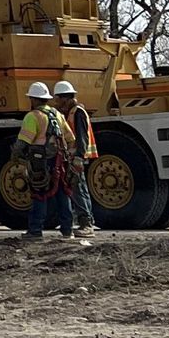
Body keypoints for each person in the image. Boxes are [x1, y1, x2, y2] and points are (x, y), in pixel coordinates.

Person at [16, 81, 76, 244]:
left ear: (33, 99)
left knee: (39, 194)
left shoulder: (33, 116)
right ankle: (67, 230)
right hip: (60, 160)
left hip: (41, 162)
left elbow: (23, 143)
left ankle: (35, 230)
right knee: (63, 194)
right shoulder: (57, 114)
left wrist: (16, 156)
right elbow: (70, 139)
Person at [54, 78, 98, 235]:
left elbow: (81, 137)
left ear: (64, 98)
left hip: (77, 158)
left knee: (79, 189)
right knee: (78, 188)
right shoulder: (71, 113)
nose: (56, 102)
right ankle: (84, 221)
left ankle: (86, 223)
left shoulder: (78, 113)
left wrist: (78, 157)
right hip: (73, 158)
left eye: (57, 99)